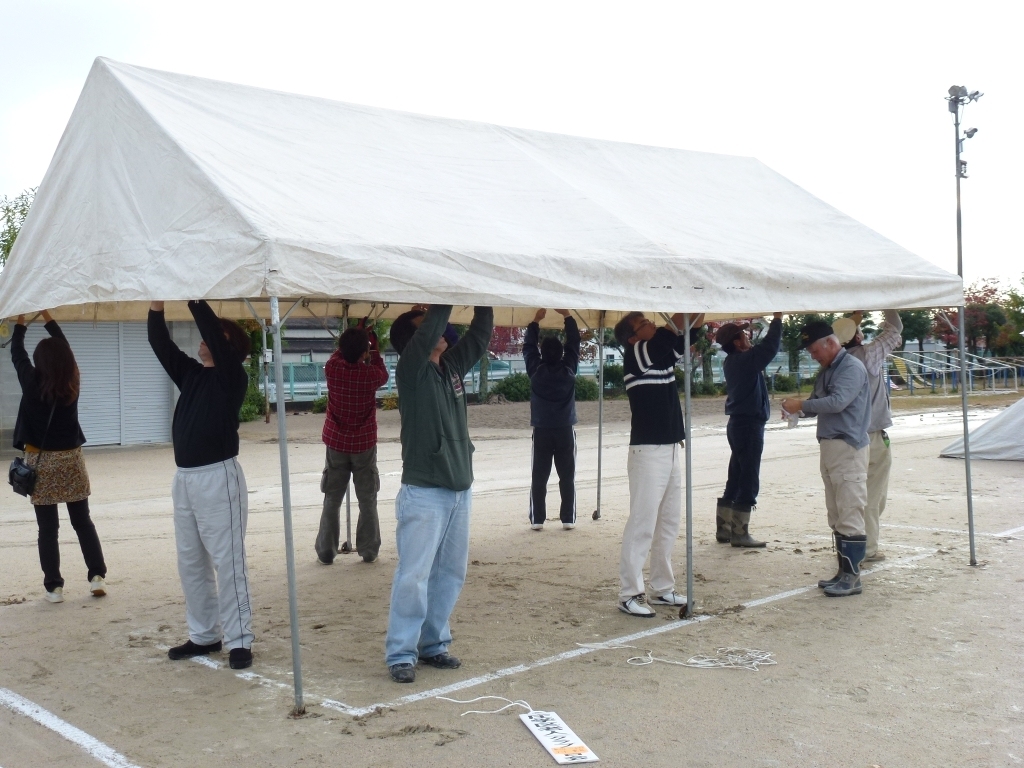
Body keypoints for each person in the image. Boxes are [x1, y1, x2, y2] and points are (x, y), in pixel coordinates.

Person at [384, 304, 493, 683]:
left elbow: (479, 336)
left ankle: (433, 644)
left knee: (450, 572)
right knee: (414, 575)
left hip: (459, 489)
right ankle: (401, 652)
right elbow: (433, 327)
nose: (443, 331)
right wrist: (443, 292)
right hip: (425, 491)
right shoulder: (412, 369)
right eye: (431, 326)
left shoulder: (451, 367)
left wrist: (481, 298)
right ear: (415, 338)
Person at [148, 300, 255, 669]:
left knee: (228, 561)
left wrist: (194, 296)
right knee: (191, 561)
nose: (204, 339)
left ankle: (240, 640)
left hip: (218, 477)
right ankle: (204, 635)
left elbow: (212, 332)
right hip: (185, 479)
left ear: (229, 346)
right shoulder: (192, 375)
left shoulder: (232, 377)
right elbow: (160, 344)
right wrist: (157, 306)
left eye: (216, 336)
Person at [612, 311, 705, 617]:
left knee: (668, 522)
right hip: (648, 451)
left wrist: (699, 303)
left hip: (670, 446)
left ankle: (662, 587)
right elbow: (674, 324)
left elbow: (690, 326)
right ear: (632, 337)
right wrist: (688, 295)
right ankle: (629, 593)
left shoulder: (658, 354)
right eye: (644, 323)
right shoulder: (637, 354)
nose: (652, 323)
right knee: (642, 523)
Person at [11, 311, 107, 603]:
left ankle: (54, 587)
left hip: (41, 463)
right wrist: (48, 317)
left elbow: (17, 353)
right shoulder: (72, 381)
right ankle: (96, 577)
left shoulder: (30, 382)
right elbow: (64, 346)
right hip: (71, 461)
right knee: (83, 522)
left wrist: (20, 323)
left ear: (39, 362)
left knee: (48, 529)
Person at [782, 321, 871, 598]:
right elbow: (817, 403)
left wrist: (802, 405)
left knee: (850, 510)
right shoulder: (829, 370)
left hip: (848, 446)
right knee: (836, 513)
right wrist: (798, 409)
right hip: (831, 445)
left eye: (814, 350)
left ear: (830, 343)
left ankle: (852, 577)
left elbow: (837, 402)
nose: (812, 356)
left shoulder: (852, 367)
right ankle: (843, 572)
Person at [832, 310, 903, 562]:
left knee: (847, 495)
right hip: (870, 435)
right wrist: (885, 303)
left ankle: (846, 544)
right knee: (872, 495)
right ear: (858, 336)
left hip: (844, 437)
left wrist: (856, 316)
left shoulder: (835, 361)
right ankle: (867, 548)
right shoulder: (867, 355)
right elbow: (895, 327)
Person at [316, 322, 389, 564]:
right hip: (363, 443)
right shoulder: (370, 376)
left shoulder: (333, 369)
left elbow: (339, 353)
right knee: (367, 499)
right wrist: (373, 349)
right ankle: (368, 550)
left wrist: (354, 336)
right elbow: (383, 373)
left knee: (332, 498)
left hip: (336, 441)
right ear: (364, 352)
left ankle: (326, 551)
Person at [714, 313, 783, 548]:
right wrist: (777, 321)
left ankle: (724, 528)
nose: (748, 337)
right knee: (748, 477)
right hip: (749, 425)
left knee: (736, 475)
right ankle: (739, 532)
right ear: (736, 342)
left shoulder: (733, 361)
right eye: (744, 335)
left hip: (738, 424)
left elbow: (763, 350)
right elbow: (769, 348)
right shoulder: (743, 361)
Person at [523, 308, 581, 531]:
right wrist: (567, 316)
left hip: (542, 428)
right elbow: (574, 343)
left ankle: (537, 519)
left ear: (542, 353)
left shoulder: (536, 371)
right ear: (561, 353)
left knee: (539, 475)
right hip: (565, 427)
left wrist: (535, 321)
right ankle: (568, 518)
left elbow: (528, 347)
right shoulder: (569, 369)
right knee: (567, 476)